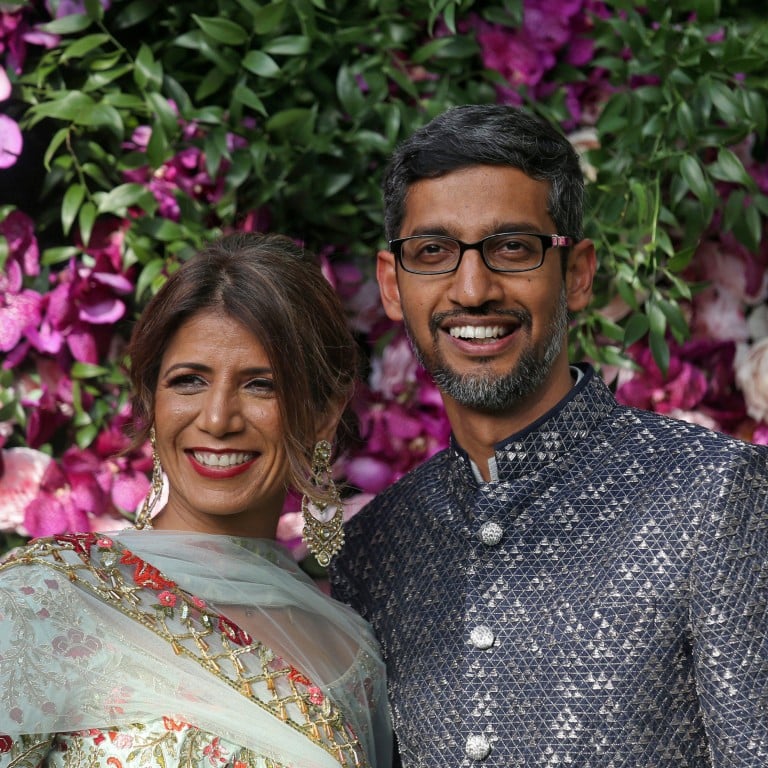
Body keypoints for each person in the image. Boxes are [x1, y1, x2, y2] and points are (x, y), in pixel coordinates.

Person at [329, 104, 768, 767]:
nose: (471, 289)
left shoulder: (710, 495)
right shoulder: (373, 549)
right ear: (393, 285)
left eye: (512, 248)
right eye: (433, 252)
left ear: (579, 273)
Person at [0, 232, 391, 768]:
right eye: (188, 382)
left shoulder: (352, 655)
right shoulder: (44, 599)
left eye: (262, 386)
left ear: (324, 412)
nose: (217, 419)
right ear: (151, 401)